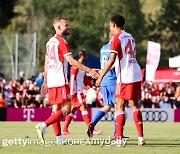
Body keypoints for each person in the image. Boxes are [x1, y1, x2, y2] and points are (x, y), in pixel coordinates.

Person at [35, 17, 99, 144]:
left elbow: (47, 62)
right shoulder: (61, 42)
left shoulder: (49, 42)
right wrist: (89, 70)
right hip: (60, 80)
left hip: (52, 81)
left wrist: (46, 82)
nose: (68, 26)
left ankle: (59, 138)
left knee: (55, 110)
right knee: (68, 109)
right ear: (58, 27)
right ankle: (42, 125)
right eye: (66, 25)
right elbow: (71, 61)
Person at [94, 15, 144, 146]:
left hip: (125, 75)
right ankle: (141, 137)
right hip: (136, 73)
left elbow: (112, 59)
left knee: (119, 106)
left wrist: (100, 76)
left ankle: (119, 139)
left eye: (110, 25)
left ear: (114, 25)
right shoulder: (130, 36)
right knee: (135, 106)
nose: (110, 28)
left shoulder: (117, 37)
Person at [62, 50, 102, 135]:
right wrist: (72, 92)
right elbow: (72, 79)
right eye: (86, 56)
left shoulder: (81, 67)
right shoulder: (75, 66)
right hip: (77, 92)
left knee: (73, 110)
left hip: (78, 91)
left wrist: (93, 87)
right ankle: (91, 129)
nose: (87, 57)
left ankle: (64, 130)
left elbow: (85, 79)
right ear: (82, 56)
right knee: (83, 108)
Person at [87, 34, 117, 138]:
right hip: (113, 80)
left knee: (107, 106)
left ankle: (93, 123)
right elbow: (113, 63)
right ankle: (116, 134)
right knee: (119, 108)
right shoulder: (114, 48)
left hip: (104, 80)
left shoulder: (103, 48)